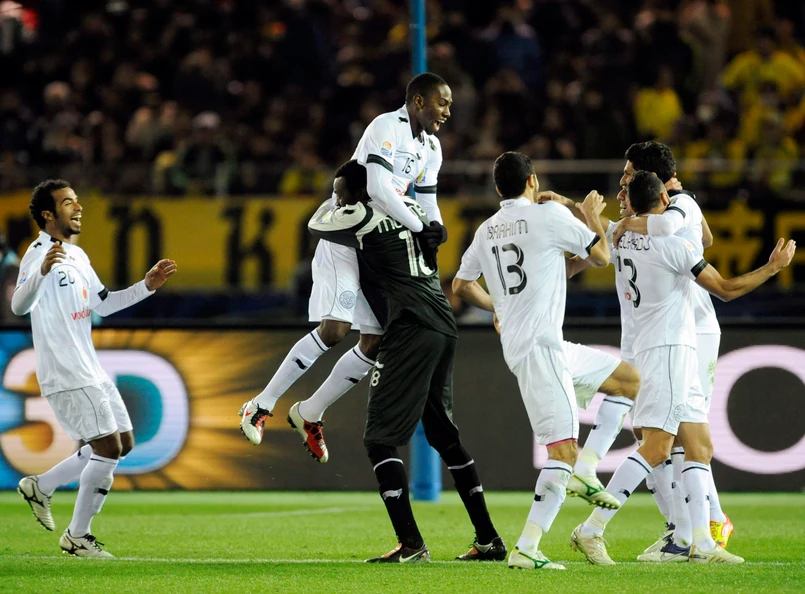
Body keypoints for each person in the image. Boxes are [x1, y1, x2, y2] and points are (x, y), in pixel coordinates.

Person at [569, 171, 795, 565]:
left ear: (633, 204)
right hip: (669, 351)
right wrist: (772, 268)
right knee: (657, 447)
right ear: (662, 199)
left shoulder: (620, 237)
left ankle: (702, 543)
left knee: (700, 446)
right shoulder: (673, 245)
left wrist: (574, 206)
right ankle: (592, 529)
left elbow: (604, 230)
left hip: (661, 349)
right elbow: (725, 289)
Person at [238, 73, 452, 463]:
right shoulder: (387, 127)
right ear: (419, 101)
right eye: (442, 103)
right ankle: (260, 404)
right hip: (347, 233)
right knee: (335, 329)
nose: (447, 112)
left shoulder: (431, 147)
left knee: (375, 341)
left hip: (378, 244)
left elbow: (427, 196)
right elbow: (379, 187)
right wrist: (420, 227)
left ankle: (309, 413)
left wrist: (435, 227)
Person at [308, 160, 503, 563]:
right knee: (445, 438)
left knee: (379, 439)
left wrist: (338, 203)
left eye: (341, 192)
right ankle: (489, 540)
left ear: (361, 193)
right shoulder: (413, 210)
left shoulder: (361, 214)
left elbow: (316, 225)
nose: (338, 199)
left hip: (410, 327)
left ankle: (411, 544)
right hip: (442, 323)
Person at [452, 152, 610, 570]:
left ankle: (586, 472)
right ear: (532, 181)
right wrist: (590, 214)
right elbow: (602, 256)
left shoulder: (487, 229)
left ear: (498, 188)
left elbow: (461, 285)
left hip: (538, 344)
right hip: (541, 346)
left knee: (629, 380)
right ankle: (527, 548)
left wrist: (499, 307)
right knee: (564, 450)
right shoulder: (549, 216)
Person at [13, 179, 177, 558]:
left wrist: (146, 286)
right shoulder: (37, 254)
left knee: (124, 443)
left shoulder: (78, 255)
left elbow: (103, 303)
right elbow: (19, 306)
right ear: (48, 215)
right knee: (107, 446)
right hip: (65, 369)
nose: (79, 207)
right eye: (68, 203)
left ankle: (42, 486)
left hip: (90, 367)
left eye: (77, 200)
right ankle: (78, 536)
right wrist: (40, 273)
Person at [613, 141, 732, 557]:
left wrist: (632, 223)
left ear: (652, 180)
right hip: (665, 327)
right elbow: (708, 237)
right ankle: (683, 528)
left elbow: (673, 230)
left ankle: (703, 524)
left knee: (680, 431)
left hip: (692, 327)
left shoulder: (678, 205)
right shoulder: (675, 207)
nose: (624, 180)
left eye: (629, 173)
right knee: (651, 430)